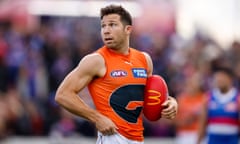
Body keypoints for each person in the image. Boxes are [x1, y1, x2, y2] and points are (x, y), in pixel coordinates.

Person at [55, 5, 178, 144]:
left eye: (112, 25)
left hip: (138, 139)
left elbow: (148, 96)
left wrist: (170, 103)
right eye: (103, 26)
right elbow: (62, 94)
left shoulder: (144, 60)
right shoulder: (96, 60)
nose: (106, 31)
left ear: (128, 30)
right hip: (112, 137)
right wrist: (96, 118)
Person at [197, 67, 240, 144]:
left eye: (222, 78)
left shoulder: (237, 98)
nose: (219, 80)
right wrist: (198, 141)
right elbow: (202, 124)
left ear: (230, 79)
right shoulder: (208, 98)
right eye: (217, 78)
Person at [175, 73, 206, 144]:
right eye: (188, 83)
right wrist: (183, 121)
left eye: (193, 83)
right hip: (182, 134)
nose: (190, 86)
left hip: (197, 134)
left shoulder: (204, 98)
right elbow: (173, 119)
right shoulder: (181, 99)